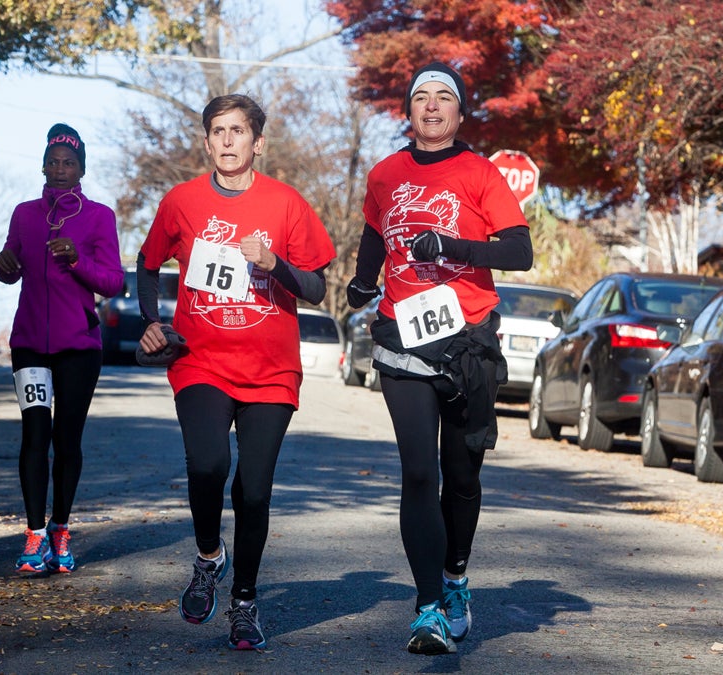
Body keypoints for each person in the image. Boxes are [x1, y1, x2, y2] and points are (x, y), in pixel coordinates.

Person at [345, 62, 532, 654]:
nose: (431, 105)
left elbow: (520, 251)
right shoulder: (384, 174)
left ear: (458, 112)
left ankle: (455, 576)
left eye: (443, 97)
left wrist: (450, 245)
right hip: (402, 334)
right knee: (419, 473)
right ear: (408, 110)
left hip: (468, 338)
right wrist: (361, 279)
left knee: (462, 473)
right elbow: (376, 232)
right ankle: (427, 608)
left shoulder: (480, 173)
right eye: (420, 96)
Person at [137, 94, 336, 651]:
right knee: (208, 464)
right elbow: (148, 264)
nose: (227, 140)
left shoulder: (286, 205)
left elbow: (318, 288)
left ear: (258, 142)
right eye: (218, 131)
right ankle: (208, 557)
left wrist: (278, 266)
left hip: (272, 371)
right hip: (200, 359)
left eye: (238, 131)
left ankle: (244, 602)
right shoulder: (182, 201)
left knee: (254, 489)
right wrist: (152, 321)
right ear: (207, 142)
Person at [0, 123, 123, 576]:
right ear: (43, 166)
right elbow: (10, 264)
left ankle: (60, 528)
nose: (60, 169)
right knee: (34, 436)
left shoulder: (99, 216)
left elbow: (113, 281)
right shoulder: (24, 213)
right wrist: (1, 265)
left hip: (78, 347)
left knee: (67, 439)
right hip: (29, 343)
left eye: (69, 163)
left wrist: (77, 260)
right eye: (53, 162)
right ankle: (33, 534)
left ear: (81, 169)